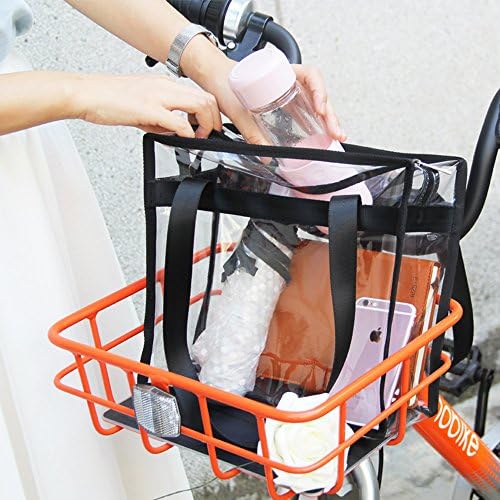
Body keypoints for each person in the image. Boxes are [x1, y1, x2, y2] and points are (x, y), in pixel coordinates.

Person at [0, 1, 344, 499]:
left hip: (24, 150)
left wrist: (210, 66)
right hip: (22, 119)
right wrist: (84, 92)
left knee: (58, 437)